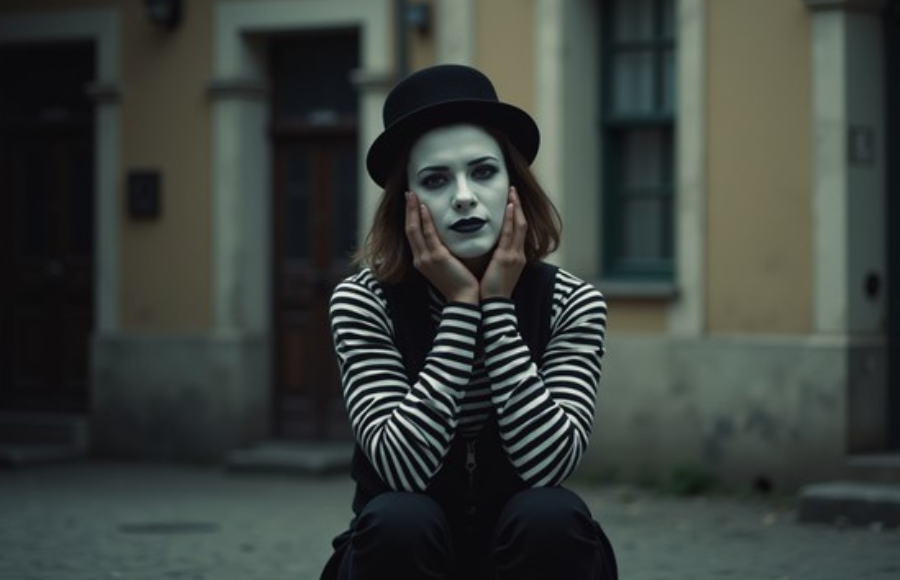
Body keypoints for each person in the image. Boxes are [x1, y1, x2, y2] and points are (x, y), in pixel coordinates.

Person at [320, 64, 617, 580]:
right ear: (405, 204)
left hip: (526, 554)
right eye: (436, 179)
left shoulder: (570, 302)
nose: (462, 196)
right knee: (398, 517)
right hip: (402, 557)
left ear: (513, 187)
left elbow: (549, 465)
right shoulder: (364, 302)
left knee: (551, 513)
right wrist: (461, 305)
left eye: (482, 171)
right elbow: (401, 469)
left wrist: (497, 308)